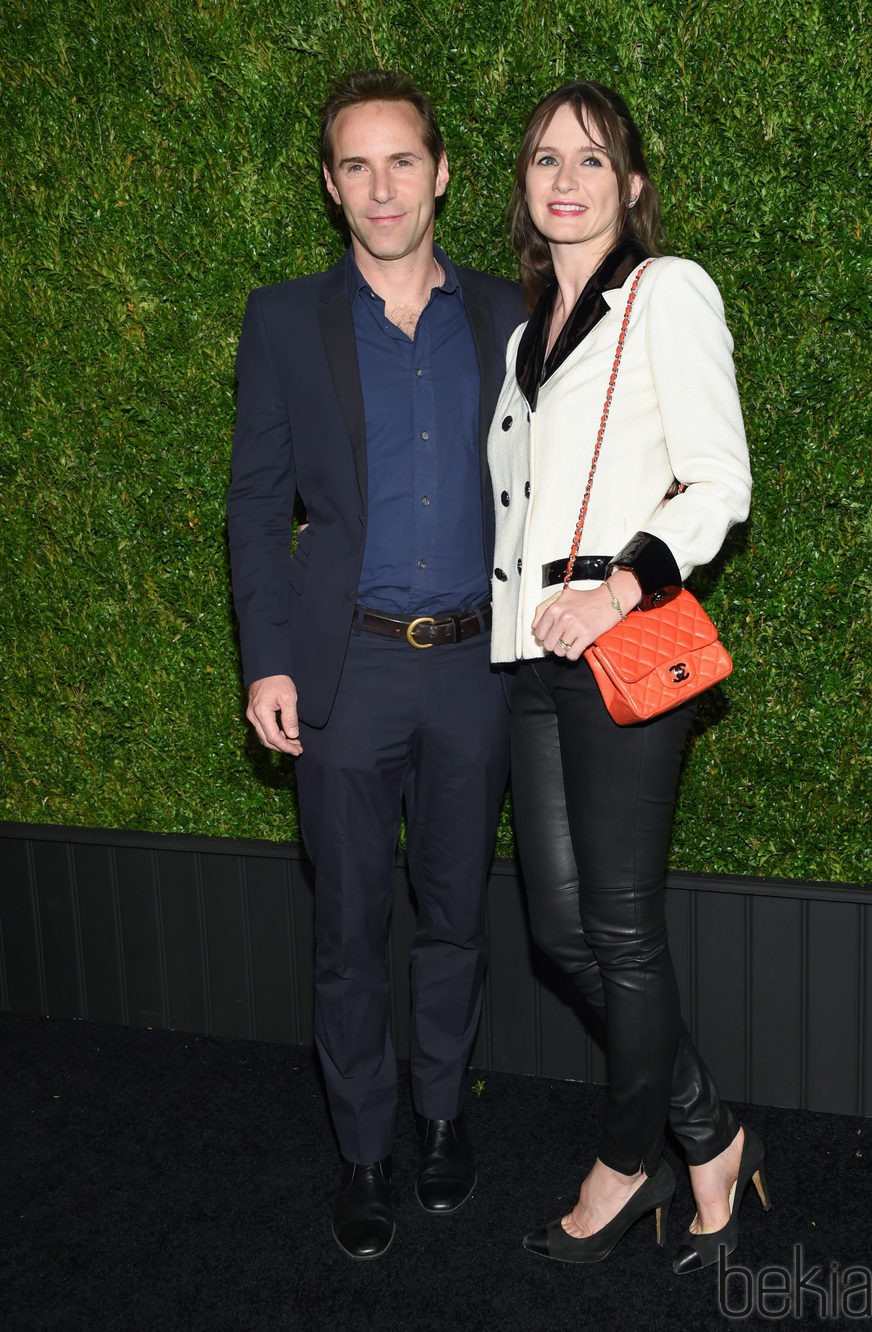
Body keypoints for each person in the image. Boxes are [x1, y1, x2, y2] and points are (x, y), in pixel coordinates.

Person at [226, 69, 525, 1261]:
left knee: (454, 918)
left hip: (475, 674)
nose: (381, 187)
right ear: (331, 182)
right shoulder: (284, 319)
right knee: (349, 931)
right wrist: (264, 660)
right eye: (356, 164)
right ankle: (362, 1150)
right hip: (342, 676)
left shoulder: (511, 316)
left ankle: (442, 1122)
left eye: (402, 160)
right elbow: (255, 506)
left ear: (441, 172)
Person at [489, 81, 767, 1269]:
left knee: (619, 928)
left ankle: (627, 1159)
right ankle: (705, 1129)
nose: (566, 179)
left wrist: (618, 583)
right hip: (524, 654)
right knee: (559, 932)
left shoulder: (666, 292)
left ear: (631, 186)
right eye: (547, 158)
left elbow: (718, 481)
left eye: (592, 161)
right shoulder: (518, 336)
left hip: (616, 641)